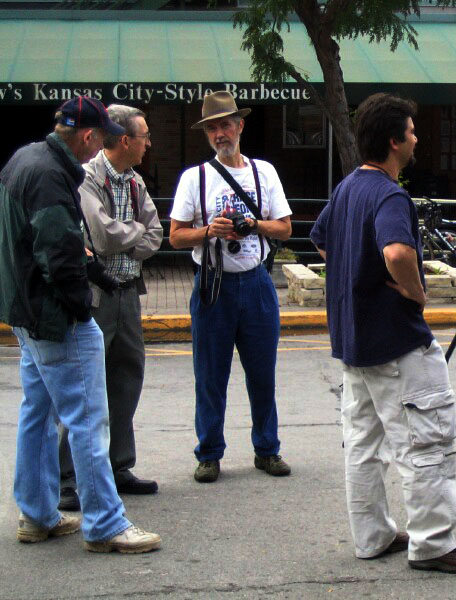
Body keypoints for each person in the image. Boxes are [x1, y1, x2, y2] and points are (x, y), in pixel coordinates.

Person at [309, 93, 456, 574]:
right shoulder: (390, 194)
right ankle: (432, 544)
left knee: (364, 445)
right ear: (393, 141)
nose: (416, 138)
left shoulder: (348, 188)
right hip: (396, 342)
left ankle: (373, 536)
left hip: (354, 343)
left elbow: (322, 238)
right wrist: (415, 293)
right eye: (410, 131)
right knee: (423, 442)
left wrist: (356, 275)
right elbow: (399, 253)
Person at [0, 96, 161, 553]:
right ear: (88, 136)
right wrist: (81, 304)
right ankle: (106, 524)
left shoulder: (25, 159)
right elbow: (59, 254)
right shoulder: (53, 175)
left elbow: (45, 243)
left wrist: (88, 268)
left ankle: (37, 514)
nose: (102, 145)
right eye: (100, 137)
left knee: (37, 413)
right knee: (90, 418)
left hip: (25, 313)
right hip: (56, 316)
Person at [169, 91, 292, 483]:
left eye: (225, 125)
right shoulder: (195, 177)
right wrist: (209, 231)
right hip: (212, 285)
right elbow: (174, 236)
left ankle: (267, 449)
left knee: (262, 373)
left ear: (240, 126)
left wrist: (252, 225)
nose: (220, 134)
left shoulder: (264, 172)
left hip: (256, 283)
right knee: (210, 374)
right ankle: (208, 453)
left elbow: (285, 228)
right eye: (212, 128)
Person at [57, 104, 163, 511]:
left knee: (126, 379)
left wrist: (128, 235)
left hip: (127, 294)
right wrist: (132, 235)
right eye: (144, 137)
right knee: (83, 387)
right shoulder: (87, 177)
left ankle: (118, 466)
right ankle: (67, 478)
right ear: (124, 140)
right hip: (95, 296)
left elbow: (155, 235)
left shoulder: (135, 182)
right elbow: (100, 235)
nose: (149, 144)